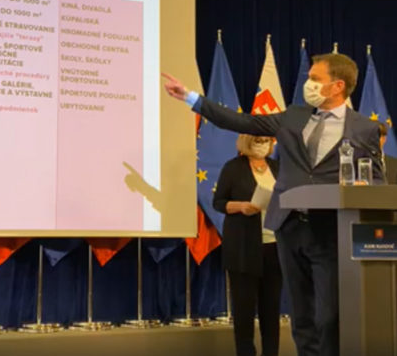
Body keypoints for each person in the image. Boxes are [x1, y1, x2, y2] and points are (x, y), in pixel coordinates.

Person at [162, 53, 383, 356]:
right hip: (289, 228)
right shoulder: (293, 116)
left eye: (315, 79)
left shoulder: (365, 129)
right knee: (301, 316)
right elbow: (243, 121)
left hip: (331, 231)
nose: (308, 84)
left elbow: (376, 181)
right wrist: (191, 98)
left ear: (338, 86)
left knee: (328, 315)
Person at [214, 134, 281, 356]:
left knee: (271, 309)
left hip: (274, 246)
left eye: (266, 140)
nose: (263, 144)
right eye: (257, 140)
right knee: (244, 310)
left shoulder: (277, 167)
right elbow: (219, 202)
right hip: (243, 247)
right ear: (246, 142)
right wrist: (241, 206)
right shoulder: (233, 168)